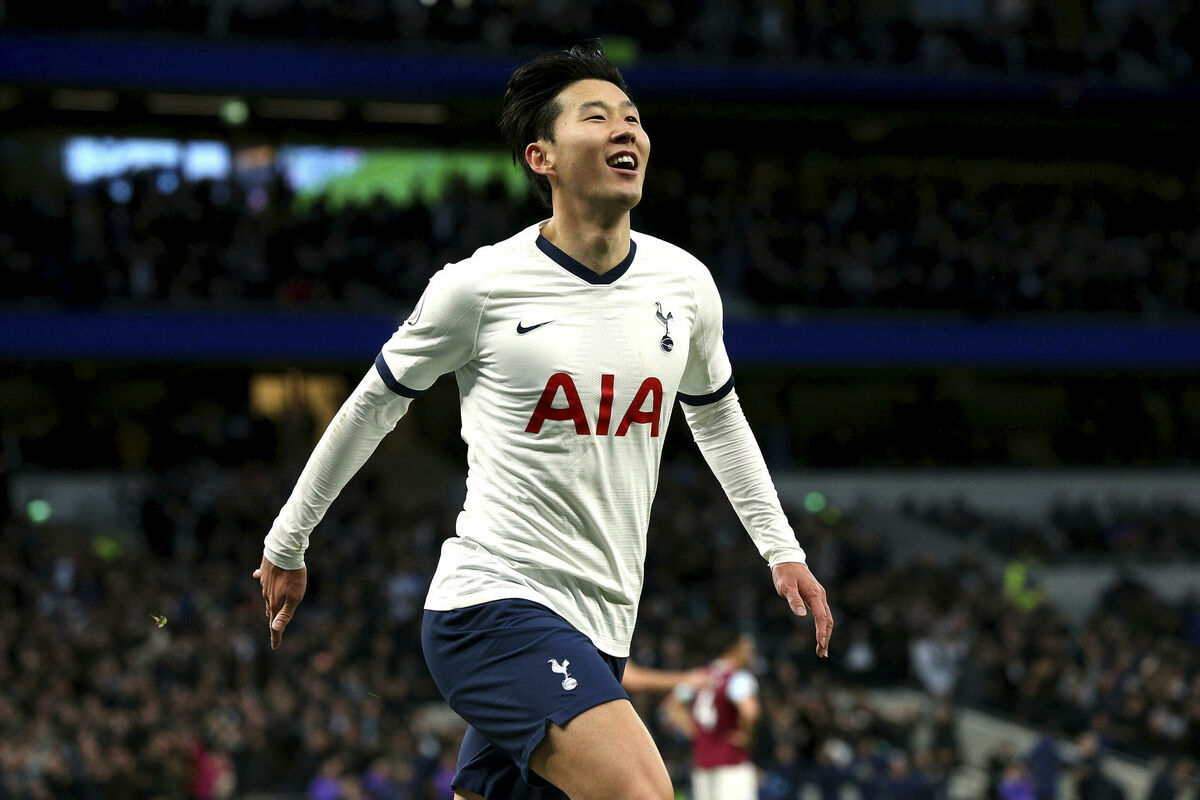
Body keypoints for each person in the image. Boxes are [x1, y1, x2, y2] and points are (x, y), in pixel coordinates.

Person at [253, 42, 833, 800]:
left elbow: (718, 418)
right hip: (492, 607)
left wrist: (781, 549)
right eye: (596, 117)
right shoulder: (478, 287)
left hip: (601, 626)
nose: (626, 130)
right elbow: (372, 405)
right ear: (542, 157)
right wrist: (287, 540)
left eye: (632, 117)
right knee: (644, 794)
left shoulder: (685, 284)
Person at [663, 634, 761, 800]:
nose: (750, 655)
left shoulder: (700, 675)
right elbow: (750, 711)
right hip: (732, 762)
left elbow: (672, 705)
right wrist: (747, 736)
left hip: (702, 760)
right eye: (747, 650)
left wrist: (693, 729)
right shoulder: (738, 678)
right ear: (733, 649)